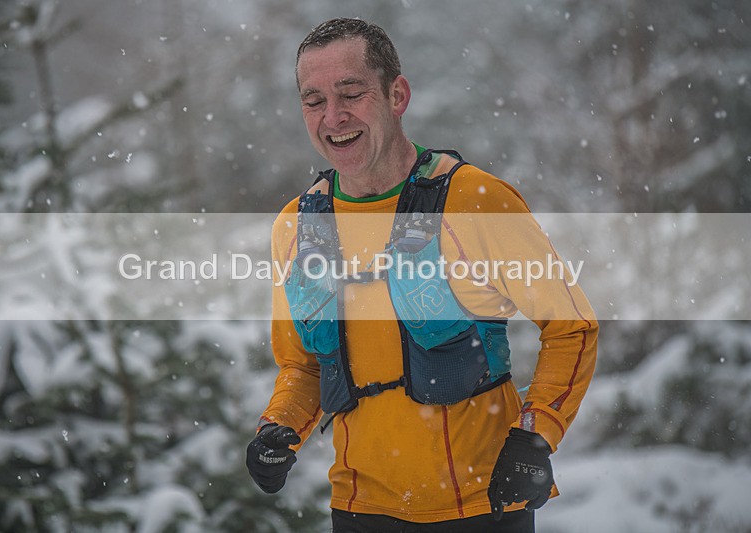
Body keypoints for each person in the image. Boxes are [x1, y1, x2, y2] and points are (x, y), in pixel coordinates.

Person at [246, 17, 598, 533]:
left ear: (397, 95)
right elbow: (304, 366)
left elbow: (572, 326)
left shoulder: (474, 202)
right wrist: (277, 430)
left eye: (351, 92)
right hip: (360, 508)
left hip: (481, 506)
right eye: (314, 100)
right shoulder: (298, 227)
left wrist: (535, 435)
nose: (333, 116)